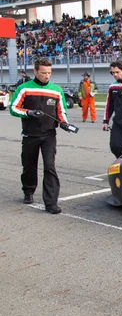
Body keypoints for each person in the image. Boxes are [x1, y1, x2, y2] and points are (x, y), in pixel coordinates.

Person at [9, 58, 70, 214]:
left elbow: (61, 111)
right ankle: (28, 191)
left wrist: (64, 123)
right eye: (43, 73)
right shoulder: (24, 89)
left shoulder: (56, 90)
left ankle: (51, 203)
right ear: (35, 72)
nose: (47, 76)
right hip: (30, 134)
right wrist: (28, 113)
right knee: (29, 166)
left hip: (49, 135)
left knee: (50, 166)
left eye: (49, 73)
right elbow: (13, 108)